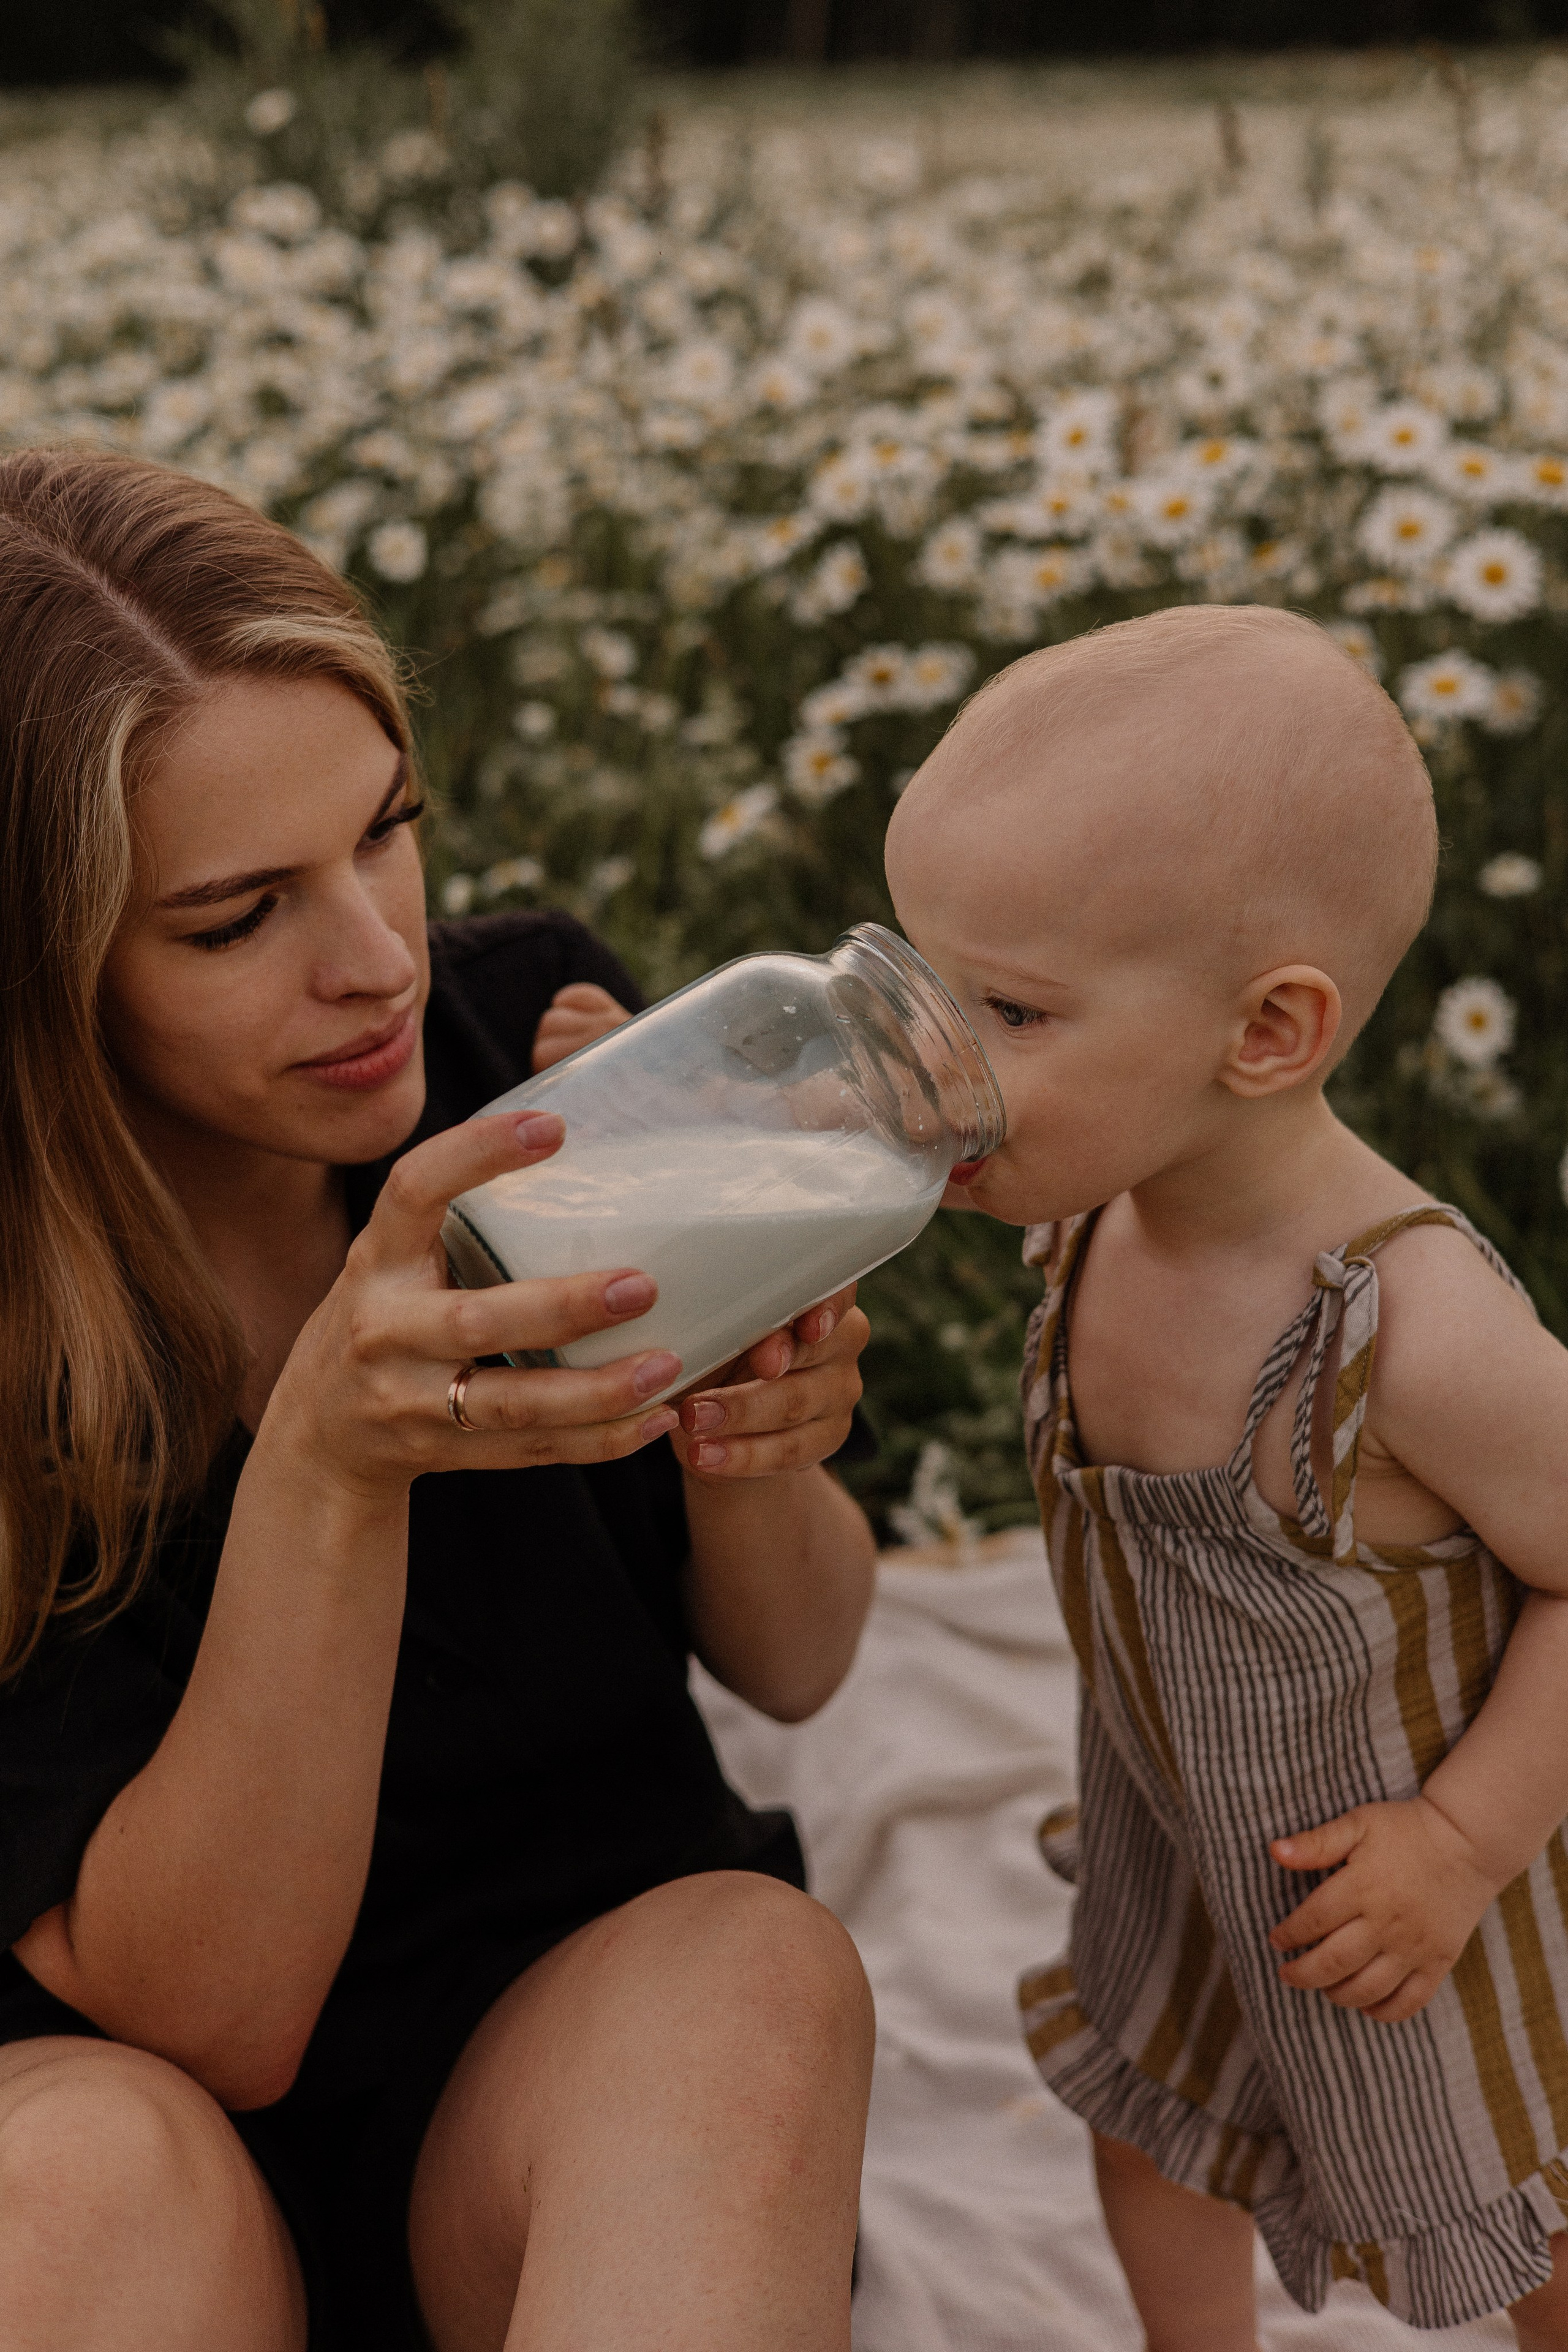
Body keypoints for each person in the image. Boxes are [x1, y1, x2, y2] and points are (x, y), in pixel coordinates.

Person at [0, 448, 878, 2352]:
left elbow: (800, 1663)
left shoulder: (540, 1054)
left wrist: (751, 1446)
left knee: (752, 1969)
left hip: (576, 2102)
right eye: (238, 918)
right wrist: (328, 1455)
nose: (377, 959)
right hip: (139, 2149)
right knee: (87, 2185)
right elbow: (215, 2026)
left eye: (388, 830)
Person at [883, 603, 1568, 2348]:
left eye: (1007, 1011)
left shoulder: (1409, 1328)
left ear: (1266, 1034)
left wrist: (1464, 1842)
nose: (930, 1060)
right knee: (1157, 2126)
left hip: (1406, 1886)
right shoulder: (1104, 1199)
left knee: (1521, 2189)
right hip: (1190, 1848)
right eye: (918, 975)